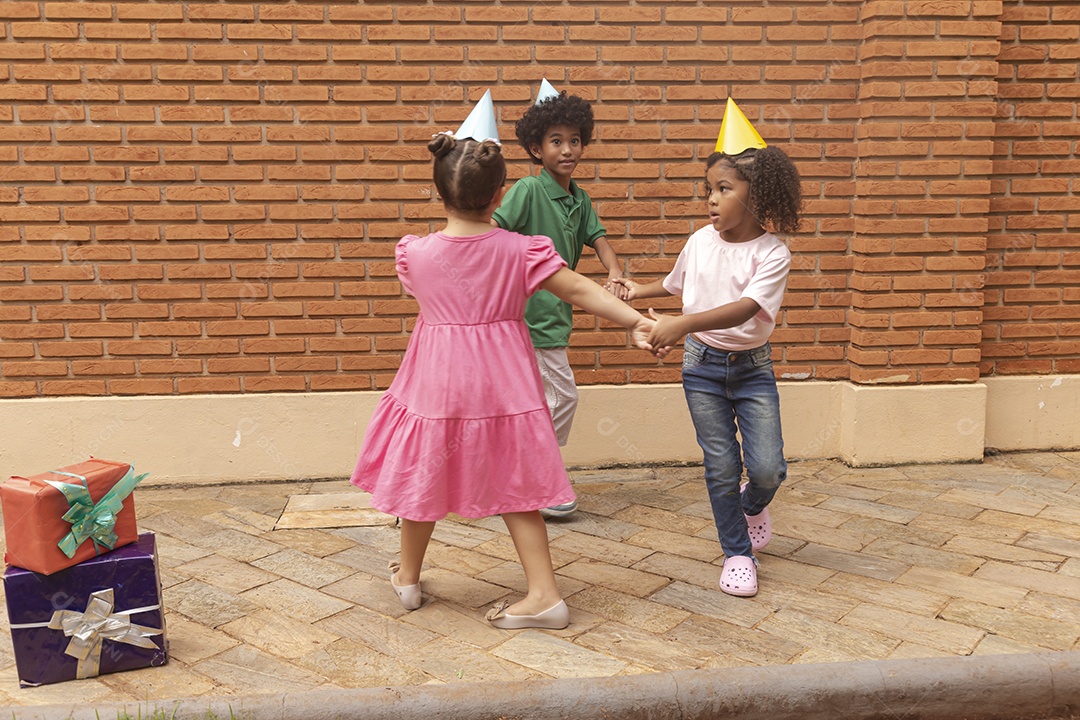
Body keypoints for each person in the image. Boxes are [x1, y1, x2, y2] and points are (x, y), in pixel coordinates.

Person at [350, 125, 659, 629]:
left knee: (428, 471)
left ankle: (407, 577)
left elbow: (426, 292)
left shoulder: (416, 253)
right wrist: (639, 322)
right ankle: (544, 594)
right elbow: (581, 290)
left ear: (438, 191)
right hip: (502, 380)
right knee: (517, 483)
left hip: (436, 380)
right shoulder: (523, 250)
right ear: (500, 194)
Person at [614, 99, 802, 597]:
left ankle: (754, 501)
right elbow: (676, 285)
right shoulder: (700, 240)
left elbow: (746, 308)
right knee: (720, 463)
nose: (712, 200)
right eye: (708, 191)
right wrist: (637, 291)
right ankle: (737, 552)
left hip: (752, 369)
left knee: (767, 468)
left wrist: (681, 324)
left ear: (755, 192)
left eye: (724, 189)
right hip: (701, 366)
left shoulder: (773, 252)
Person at [492, 81, 627, 519]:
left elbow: (599, 239)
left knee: (536, 401)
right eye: (556, 141)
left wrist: (615, 270)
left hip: (556, 316)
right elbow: (492, 230)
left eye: (575, 140)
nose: (567, 149)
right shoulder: (528, 191)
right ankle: (537, 476)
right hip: (528, 316)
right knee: (562, 396)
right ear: (535, 148)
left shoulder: (579, 199)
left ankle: (519, 472)